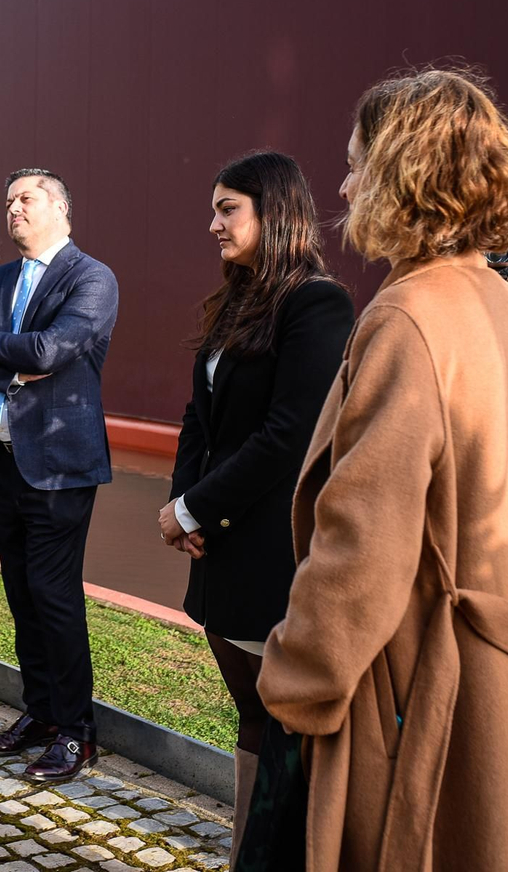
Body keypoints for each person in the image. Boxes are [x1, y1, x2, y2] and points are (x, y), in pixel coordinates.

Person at [250, 69, 508, 871]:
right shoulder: (497, 300)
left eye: (357, 164)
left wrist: (296, 677)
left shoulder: (408, 316)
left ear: (404, 176)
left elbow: (363, 543)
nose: (343, 186)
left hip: (412, 691)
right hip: (492, 675)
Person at [153, 153, 353, 862]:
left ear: (275, 211)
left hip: (273, 551)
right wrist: (183, 504)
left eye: (227, 208)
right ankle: (247, 850)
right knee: (250, 715)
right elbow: (198, 416)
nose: (213, 224)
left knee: (280, 720)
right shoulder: (237, 301)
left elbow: (288, 436)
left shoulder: (317, 305)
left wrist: (194, 508)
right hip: (222, 548)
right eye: (214, 209)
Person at [0, 169, 118, 783]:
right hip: (1, 462)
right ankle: (41, 714)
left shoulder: (91, 278)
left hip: (58, 467)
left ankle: (78, 732)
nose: (13, 208)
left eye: (26, 198)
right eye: (9, 201)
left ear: (61, 208)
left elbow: (54, 350)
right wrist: (11, 364)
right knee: (21, 594)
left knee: (54, 596)